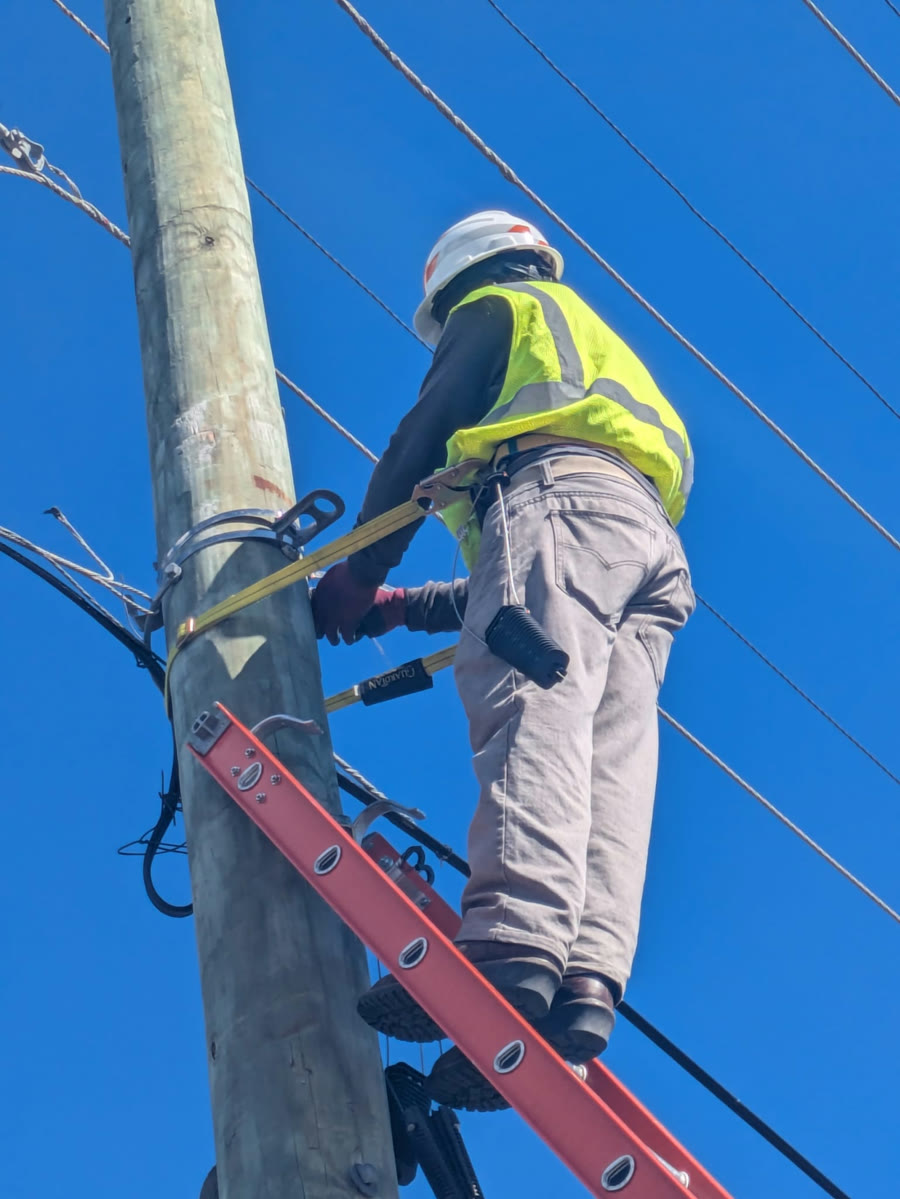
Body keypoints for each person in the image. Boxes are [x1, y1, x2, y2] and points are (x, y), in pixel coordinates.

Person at [311, 210, 695, 1110]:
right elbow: (535, 582)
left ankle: (511, 947)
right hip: (649, 552)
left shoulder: (503, 309)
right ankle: (582, 988)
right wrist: (399, 610)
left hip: (557, 503)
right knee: (610, 768)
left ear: (454, 289)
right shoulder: (608, 370)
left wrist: (359, 570)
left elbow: (423, 438)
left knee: (532, 706)